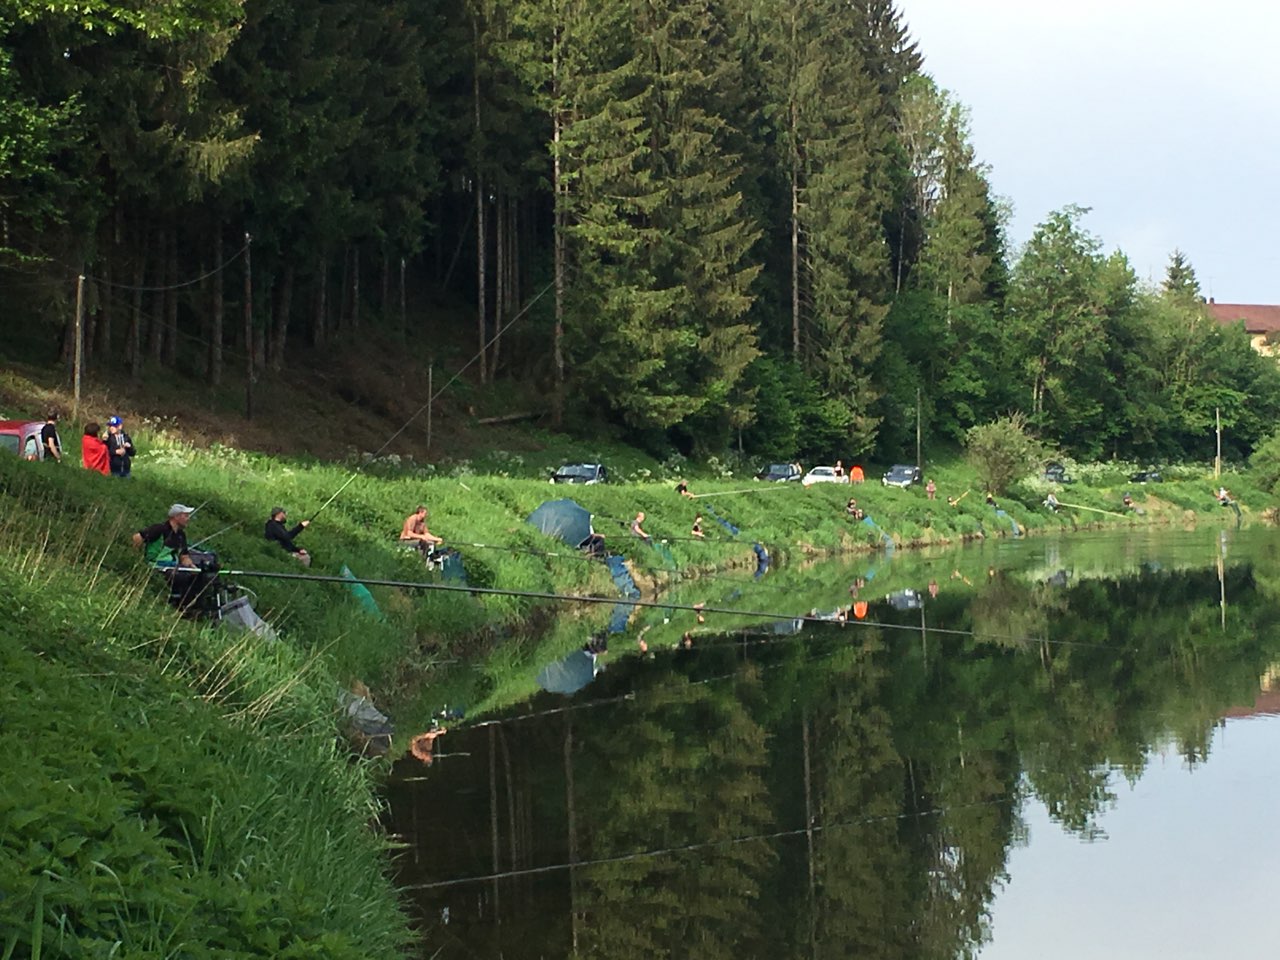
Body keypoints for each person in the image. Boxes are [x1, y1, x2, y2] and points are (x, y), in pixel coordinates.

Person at [133, 503, 198, 567]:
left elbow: (184, 556)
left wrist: (191, 565)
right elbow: (137, 537)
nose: (188, 519)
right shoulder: (159, 528)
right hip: (154, 566)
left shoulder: (181, 535)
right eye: (186, 516)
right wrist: (136, 558)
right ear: (176, 517)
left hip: (172, 567)